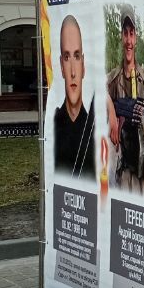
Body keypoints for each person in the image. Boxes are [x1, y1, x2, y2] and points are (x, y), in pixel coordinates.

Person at [106, 4, 144, 194]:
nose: (128, 40)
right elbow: (96, 87)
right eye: (125, 34)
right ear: (121, 37)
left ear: (136, 38)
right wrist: (113, 112)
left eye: (132, 34)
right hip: (124, 165)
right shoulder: (114, 77)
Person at [52, 15, 95, 178]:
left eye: (77, 57)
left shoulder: (94, 129)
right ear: (61, 66)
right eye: (67, 57)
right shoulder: (53, 126)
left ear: (83, 65)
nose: (73, 72)